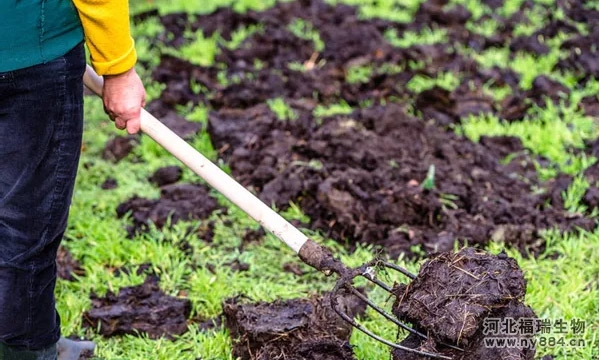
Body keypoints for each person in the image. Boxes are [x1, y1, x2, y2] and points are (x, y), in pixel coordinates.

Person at [0, 1, 146, 359]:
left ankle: (34, 332)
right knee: (24, 224)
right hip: (29, 53)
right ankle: (26, 349)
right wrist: (118, 68)